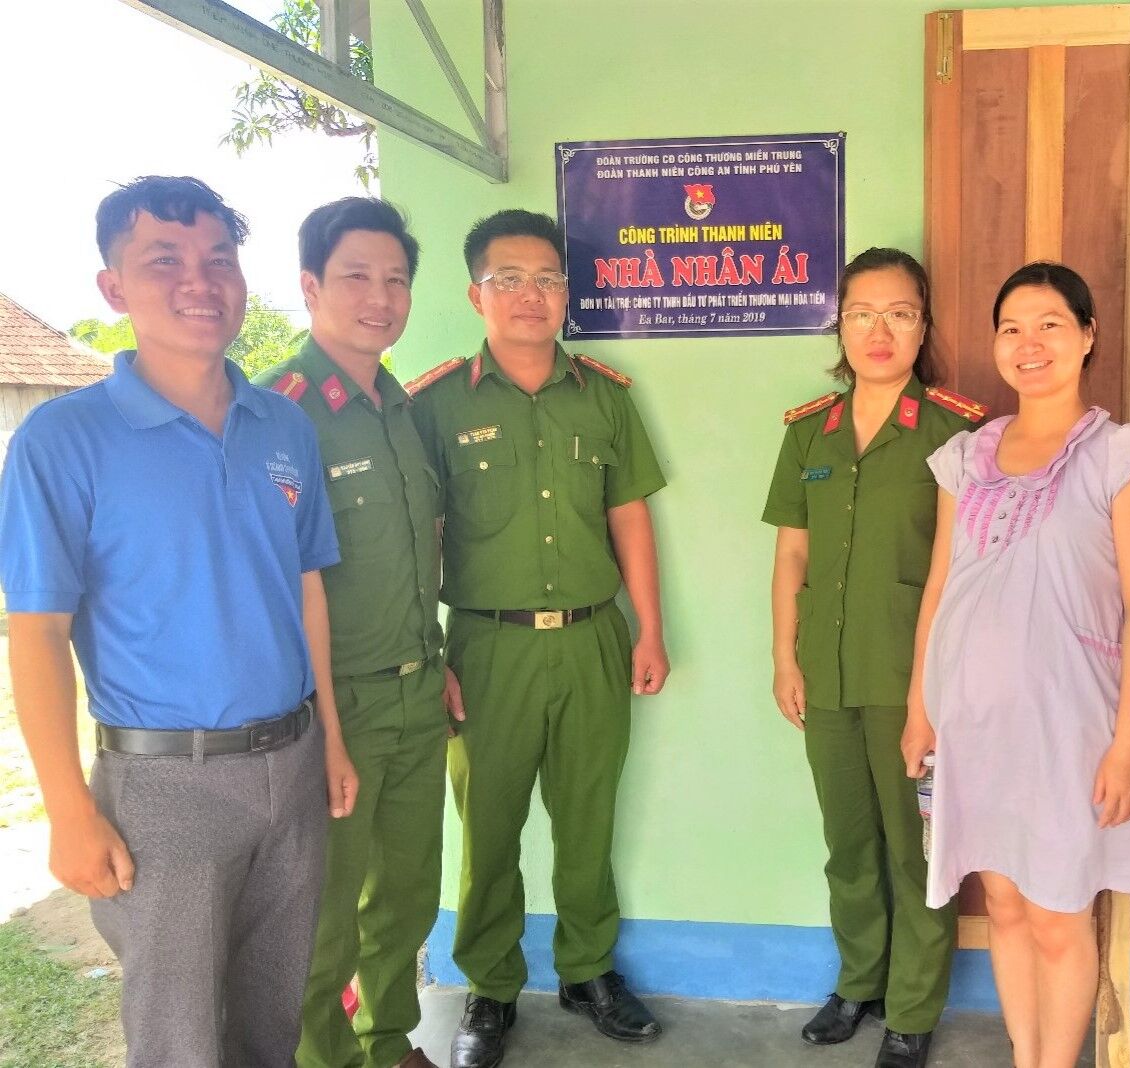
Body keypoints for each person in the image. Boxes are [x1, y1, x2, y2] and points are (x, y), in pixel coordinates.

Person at [0, 175, 356, 1066]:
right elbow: (36, 631)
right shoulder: (65, 439)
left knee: (273, 1019)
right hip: (164, 786)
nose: (200, 281)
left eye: (218, 259)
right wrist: (68, 812)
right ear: (113, 287)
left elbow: (307, 587)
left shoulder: (282, 426)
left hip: (291, 761)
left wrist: (331, 740)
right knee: (180, 1040)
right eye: (164, 260)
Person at [408, 209, 670, 1068]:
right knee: (488, 826)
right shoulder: (436, 405)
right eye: (509, 279)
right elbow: (420, 539)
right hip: (486, 650)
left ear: (566, 292)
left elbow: (628, 516)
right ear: (475, 294)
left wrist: (649, 629)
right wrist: (432, 654)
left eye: (548, 279)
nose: (531, 295)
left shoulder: (604, 395)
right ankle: (490, 985)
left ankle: (587, 970)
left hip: (594, 639)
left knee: (587, 817)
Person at [906, 262, 1130, 1068]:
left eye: (1050, 324)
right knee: (1004, 905)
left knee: (1059, 913)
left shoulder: (1122, 455)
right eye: (1011, 328)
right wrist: (920, 709)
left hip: (1069, 728)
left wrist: (1129, 745)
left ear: (1087, 336)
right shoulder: (965, 456)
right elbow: (939, 586)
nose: (1029, 344)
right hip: (972, 724)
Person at [763, 248, 985, 1068]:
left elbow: (966, 568)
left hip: (910, 681)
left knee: (916, 849)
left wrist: (931, 694)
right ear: (840, 324)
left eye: (899, 313)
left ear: (923, 326)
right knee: (848, 843)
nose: (878, 330)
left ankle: (912, 1008)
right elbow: (792, 555)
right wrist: (784, 658)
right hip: (825, 674)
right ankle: (858, 981)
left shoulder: (955, 431)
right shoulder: (808, 431)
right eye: (860, 313)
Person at [254, 197, 449, 1068]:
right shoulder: (278, 412)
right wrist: (321, 721)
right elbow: (266, 583)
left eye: (396, 279)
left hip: (417, 692)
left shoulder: (402, 407)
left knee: (405, 895)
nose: (381, 297)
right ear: (310, 286)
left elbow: (416, 554)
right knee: (322, 918)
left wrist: (436, 659)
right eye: (357, 277)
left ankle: (389, 1040)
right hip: (334, 710)